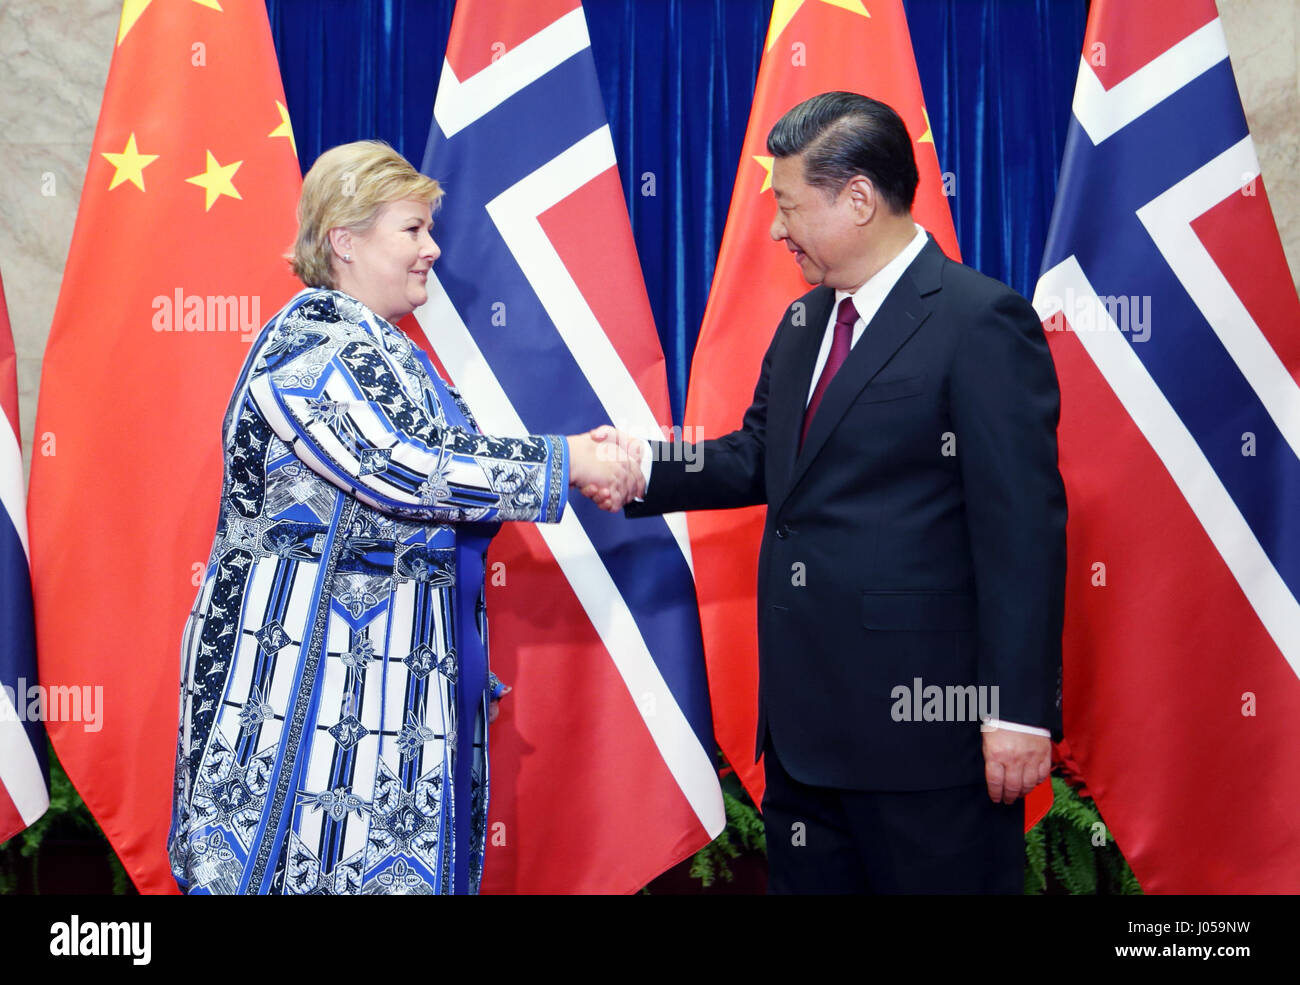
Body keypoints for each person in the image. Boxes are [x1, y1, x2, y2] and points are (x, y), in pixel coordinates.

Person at [611, 92, 1066, 893]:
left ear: (859, 198)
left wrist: (1018, 710)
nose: (778, 229)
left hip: (929, 739)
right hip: (804, 741)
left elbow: (1022, 531)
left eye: (788, 206)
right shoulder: (801, 323)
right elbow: (760, 455)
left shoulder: (979, 320)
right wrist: (640, 466)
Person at [166, 140, 641, 895]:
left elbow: (442, 458)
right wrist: (568, 463)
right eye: (412, 230)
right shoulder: (312, 340)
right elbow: (402, 464)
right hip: (299, 696)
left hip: (373, 695)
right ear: (343, 241)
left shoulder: (379, 345)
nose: (433, 248)